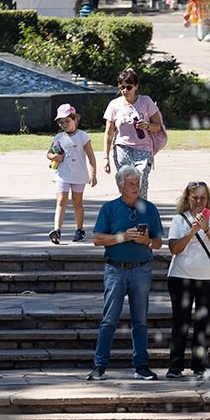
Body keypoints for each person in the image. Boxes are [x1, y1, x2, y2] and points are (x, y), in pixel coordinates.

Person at [88, 165, 164, 381]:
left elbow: (158, 242)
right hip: (115, 270)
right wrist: (123, 237)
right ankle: (99, 365)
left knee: (140, 320)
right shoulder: (109, 208)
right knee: (109, 319)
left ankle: (141, 365)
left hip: (141, 270)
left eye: (137, 183)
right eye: (131, 183)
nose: (135, 187)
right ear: (120, 185)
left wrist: (146, 241)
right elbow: (97, 239)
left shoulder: (149, 208)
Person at [164, 181, 210, 380]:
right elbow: (174, 248)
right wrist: (192, 231)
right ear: (187, 199)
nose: (199, 202)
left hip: (207, 278)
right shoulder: (179, 220)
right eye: (195, 198)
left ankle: (199, 365)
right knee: (180, 321)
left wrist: (206, 229)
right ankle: (175, 366)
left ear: (208, 200)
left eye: (203, 198)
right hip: (180, 277)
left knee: (203, 323)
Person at [102, 68, 164, 200]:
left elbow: (157, 126)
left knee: (140, 181)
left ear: (136, 86)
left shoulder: (146, 101)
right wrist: (105, 157)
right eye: (122, 87)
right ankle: (127, 213)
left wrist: (147, 126)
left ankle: (141, 212)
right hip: (122, 149)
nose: (125, 91)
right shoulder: (114, 105)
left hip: (143, 149)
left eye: (128, 87)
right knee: (126, 184)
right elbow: (109, 132)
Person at [47, 103, 97, 245]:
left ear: (75, 119)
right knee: (61, 201)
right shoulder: (59, 137)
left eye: (67, 121)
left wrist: (93, 174)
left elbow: (91, 156)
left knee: (77, 202)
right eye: (61, 122)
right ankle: (57, 230)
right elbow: (49, 153)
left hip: (79, 175)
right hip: (63, 174)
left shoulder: (83, 136)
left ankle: (79, 229)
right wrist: (54, 157)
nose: (64, 124)